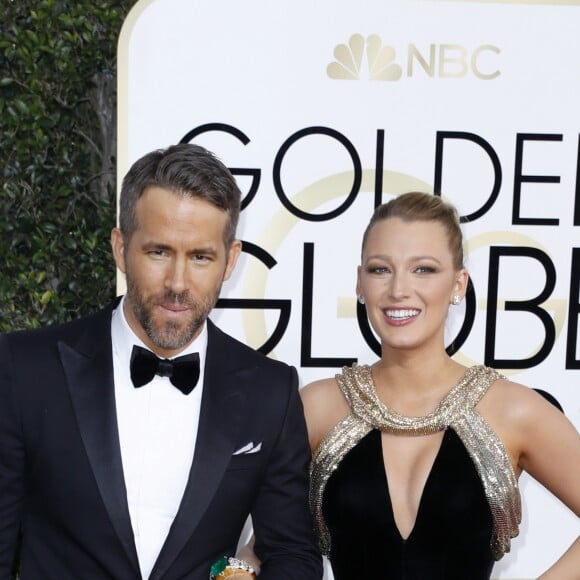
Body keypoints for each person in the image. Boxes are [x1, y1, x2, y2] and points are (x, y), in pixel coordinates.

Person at [0, 144, 322, 580]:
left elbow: (291, 554)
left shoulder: (271, 391)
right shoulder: (25, 370)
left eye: (201, 257)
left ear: (230, 261)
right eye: (158, 252)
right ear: (120, 248)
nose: (177, 283)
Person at [302, 192, 580, 579]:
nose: (399, 289)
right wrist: (238, 569)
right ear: (360, 282)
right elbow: (271, 539)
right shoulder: (317, 407)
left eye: (424, 270)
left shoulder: (513, 411)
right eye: (381, 269)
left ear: (458, 284)